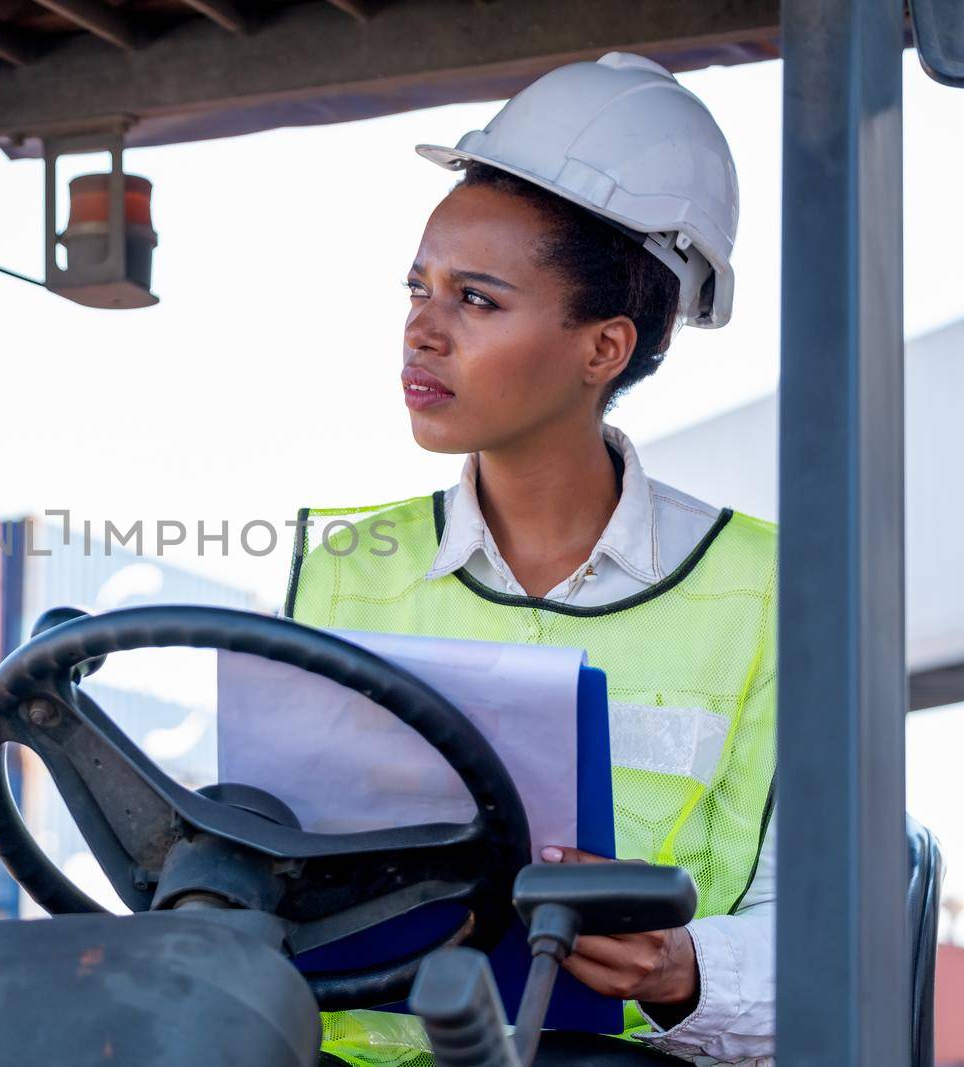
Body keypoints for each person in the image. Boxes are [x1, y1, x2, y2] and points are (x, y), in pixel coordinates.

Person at [284, 53, 776, 1066]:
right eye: (416, 288)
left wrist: (683, 965)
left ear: (602, 347)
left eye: (476, 299)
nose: (420, 331)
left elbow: (834, 931)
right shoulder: (344, 568)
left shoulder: (772, 592)